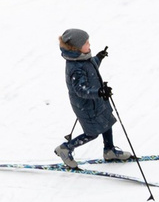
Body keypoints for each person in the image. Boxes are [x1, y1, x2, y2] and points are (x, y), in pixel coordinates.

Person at [53, 28, 135, 165]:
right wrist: (99, 92)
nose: (89, 44)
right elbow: (80, 90)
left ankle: (109, 150)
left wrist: (99, 57)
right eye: (86, 43)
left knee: (107, 122)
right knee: (92, 132)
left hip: (97, 101)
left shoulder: (83, 58)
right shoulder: (75, 67)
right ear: (77, 48)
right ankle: (65, 148)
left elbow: (91, 68)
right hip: (86, 106)